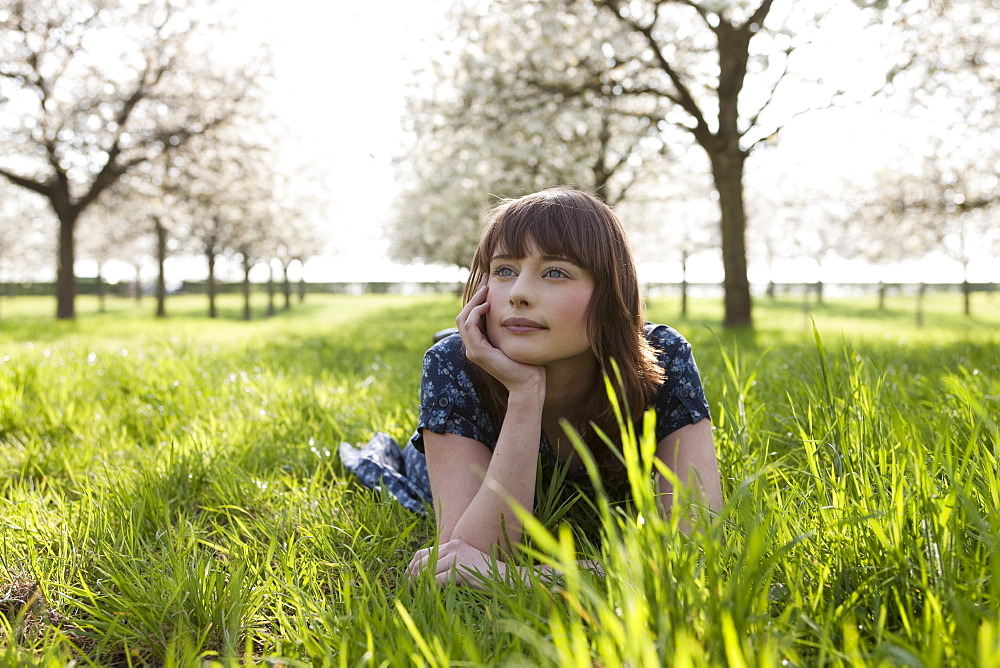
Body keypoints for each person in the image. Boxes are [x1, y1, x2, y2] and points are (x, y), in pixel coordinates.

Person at [341, 187, 722, 587]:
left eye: (555, 272)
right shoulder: (451, 365)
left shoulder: (662, 357)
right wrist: (524, 394)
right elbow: (463, 556)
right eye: (504, 270)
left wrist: (525, 579)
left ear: (611, 292)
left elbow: (693, 549)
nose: (519, 293)